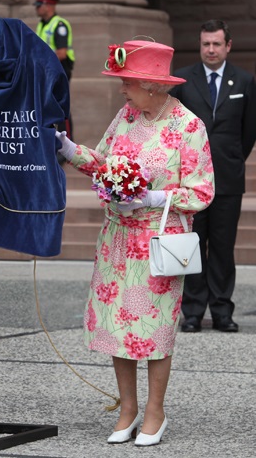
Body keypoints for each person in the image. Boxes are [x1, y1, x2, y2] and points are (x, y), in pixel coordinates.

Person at [57, 40, 214, 446]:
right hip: (117, 239)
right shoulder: (126, 115)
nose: (122, 89)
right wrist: (68, 148)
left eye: (127, 82)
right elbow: (103, 162)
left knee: (154, 328)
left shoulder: (188, 126)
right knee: (118, 324)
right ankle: (127, 409)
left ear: (152, 85)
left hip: (158, 242)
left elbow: (202, 191)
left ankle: (155, 412)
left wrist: (154, 197)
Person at [171, 20, 256, 334]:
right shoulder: (183, 79)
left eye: (216, 44)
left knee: (222, 247)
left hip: (228, 180)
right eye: (205, 43)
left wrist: (229, 159)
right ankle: (193, 312)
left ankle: (222, 311)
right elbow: (174, 126)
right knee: (193, 244)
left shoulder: (244, 81)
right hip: (191, 181)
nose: (210, 49)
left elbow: (249, 131)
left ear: (227, 46)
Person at [35, 0, 75, 138]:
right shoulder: (42, 24)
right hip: (46, 71)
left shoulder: (59, 25)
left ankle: (67, 141)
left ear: (49, 6)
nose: (36, 8)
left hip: (59, 70)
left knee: (60, 104)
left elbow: (62, 53)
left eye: (39, 5)